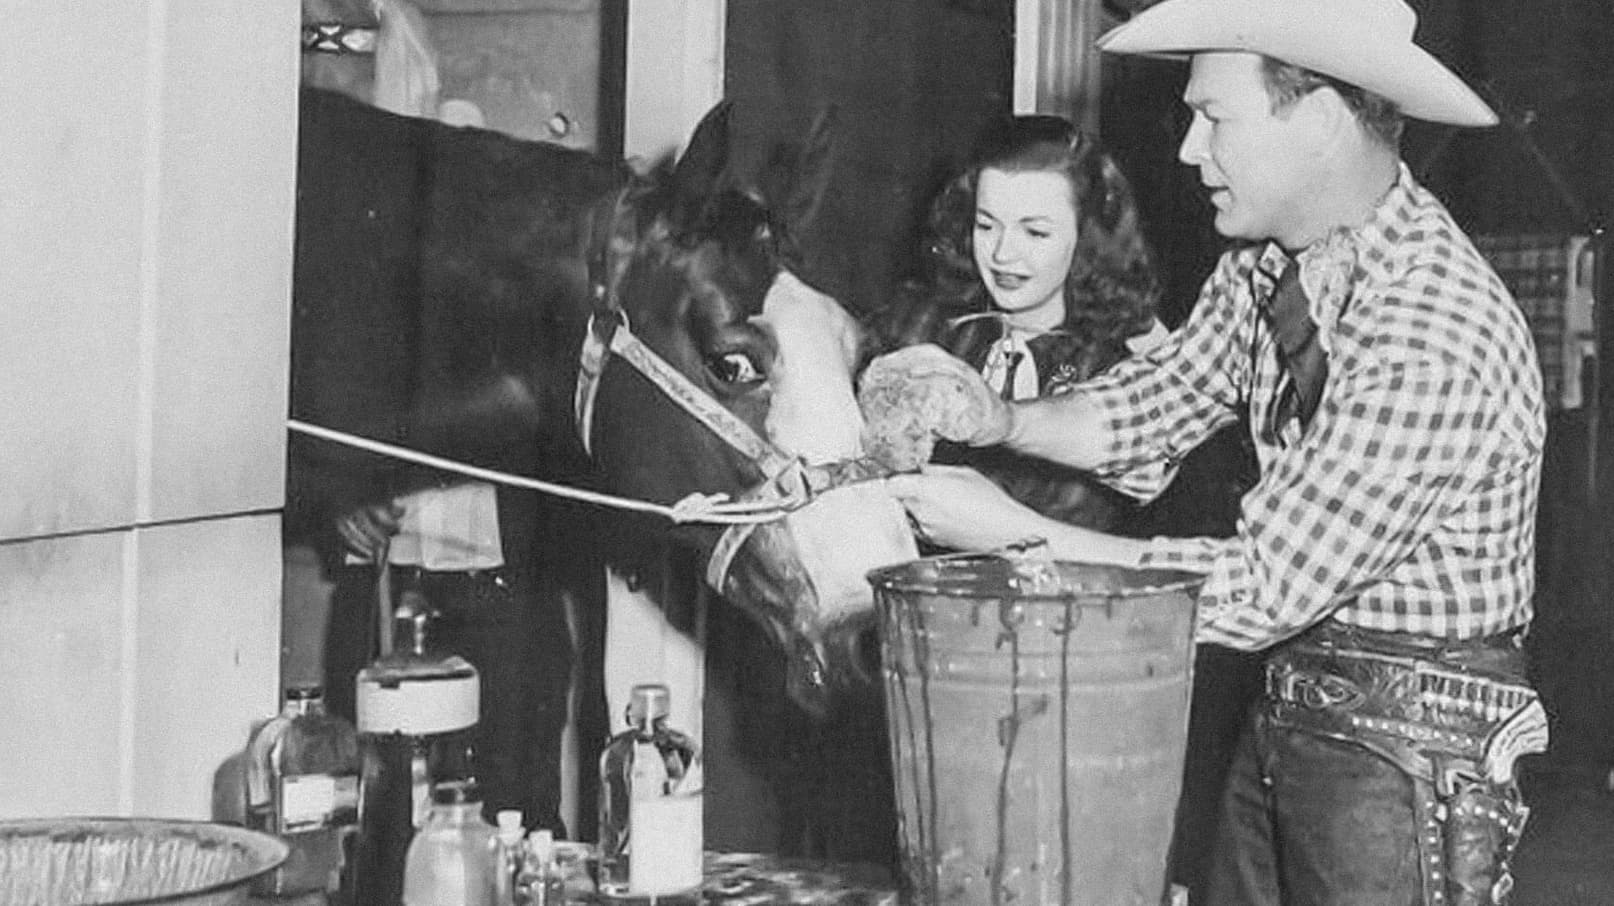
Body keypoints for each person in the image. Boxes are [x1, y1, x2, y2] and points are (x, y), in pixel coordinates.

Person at [868, 0, 1550, 902]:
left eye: (1214, 117)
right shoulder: (1268, 268)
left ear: (1319, 118)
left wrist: (1012, 535)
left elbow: (1262, 585)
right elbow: (1156, 404)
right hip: (1293, 706)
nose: (1191, 149)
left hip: (1410, 746)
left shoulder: (1432, 328)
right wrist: (1000, 418)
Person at [891, 114, 1167, 532]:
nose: (1002, 254)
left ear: (1088, 238)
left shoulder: (1117, 374)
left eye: (1035, 233)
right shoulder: (924, 324)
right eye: (986, 225)